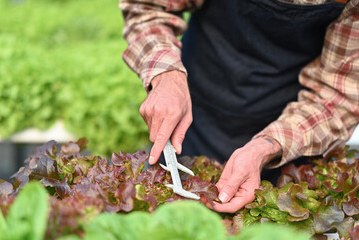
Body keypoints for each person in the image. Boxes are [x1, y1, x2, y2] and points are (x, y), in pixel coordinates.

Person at [120, 0, 359, 213]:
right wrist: (166, 74)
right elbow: (148, 6)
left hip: (293, 129)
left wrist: (267, 146)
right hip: (198, 108)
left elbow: (339, 94)